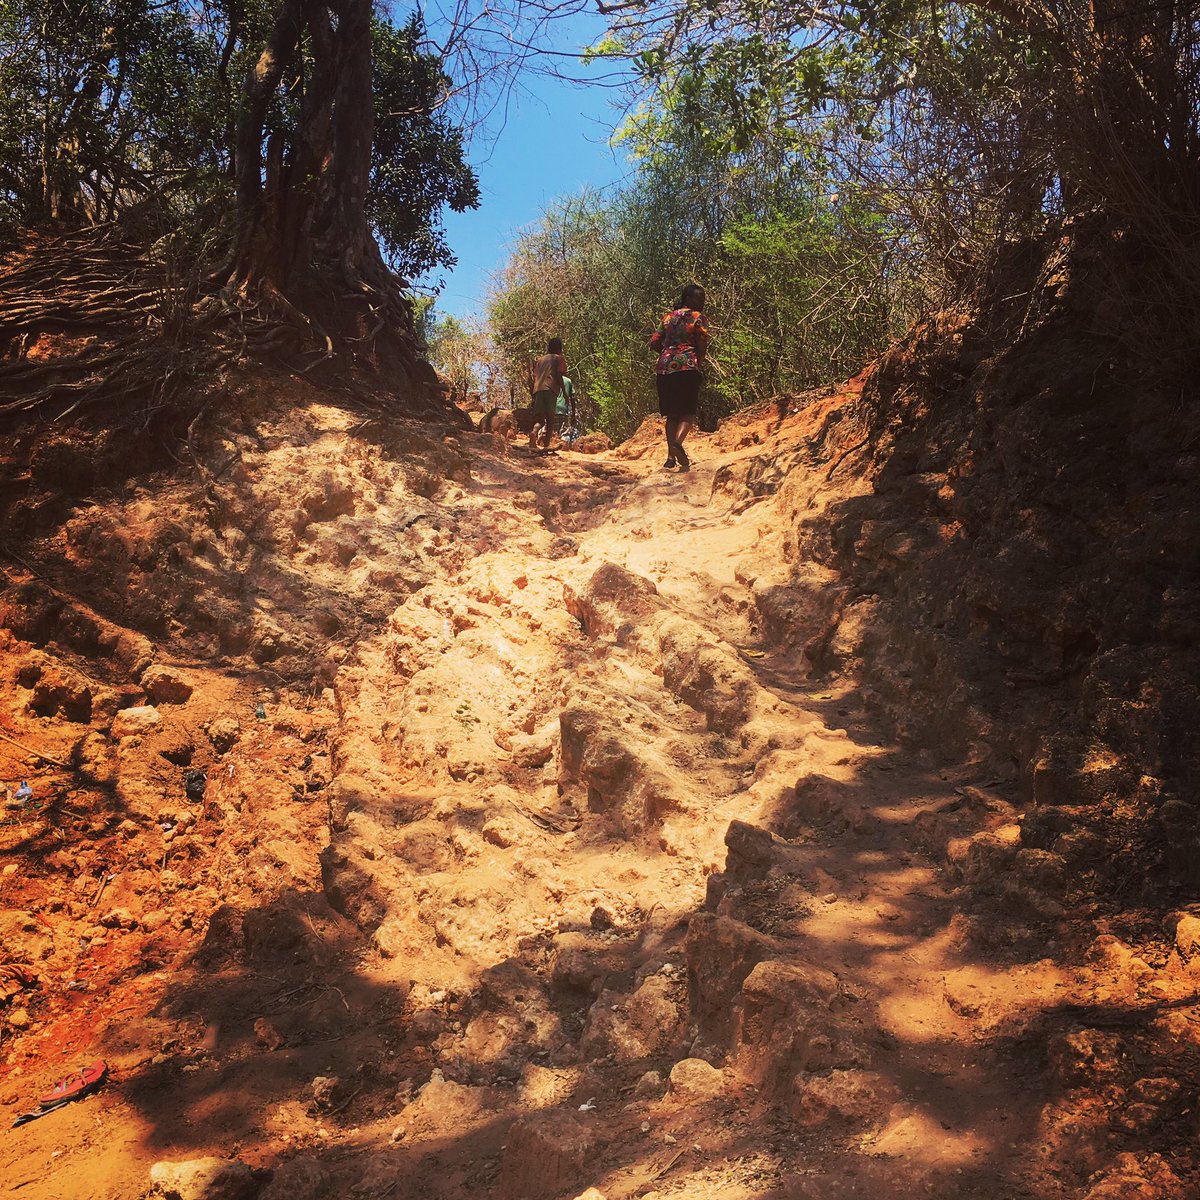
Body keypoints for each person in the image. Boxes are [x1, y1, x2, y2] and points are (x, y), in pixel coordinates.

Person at [650, 284, 709, 472]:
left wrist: (668, 354)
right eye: (699, 299)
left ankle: (670, 458)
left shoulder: (668, 317)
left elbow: (653, 342)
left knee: (672, 413)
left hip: (665, 369)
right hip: (687, 367)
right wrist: (698, 360)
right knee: (688, 411)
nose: (702, 302)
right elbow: (702, 343)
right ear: (688, 299)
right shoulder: (698, 318)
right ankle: (676, 444)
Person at [528, 337, 567, 452]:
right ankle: (546, 446)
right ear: (559, 348)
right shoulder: (558, 359)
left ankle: (534, 432)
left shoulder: (540, 360)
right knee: (550, 419)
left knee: (540, 419)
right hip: (550, 389)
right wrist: (564, 393)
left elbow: (535, 375)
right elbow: (559, 376)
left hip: (539, 389)